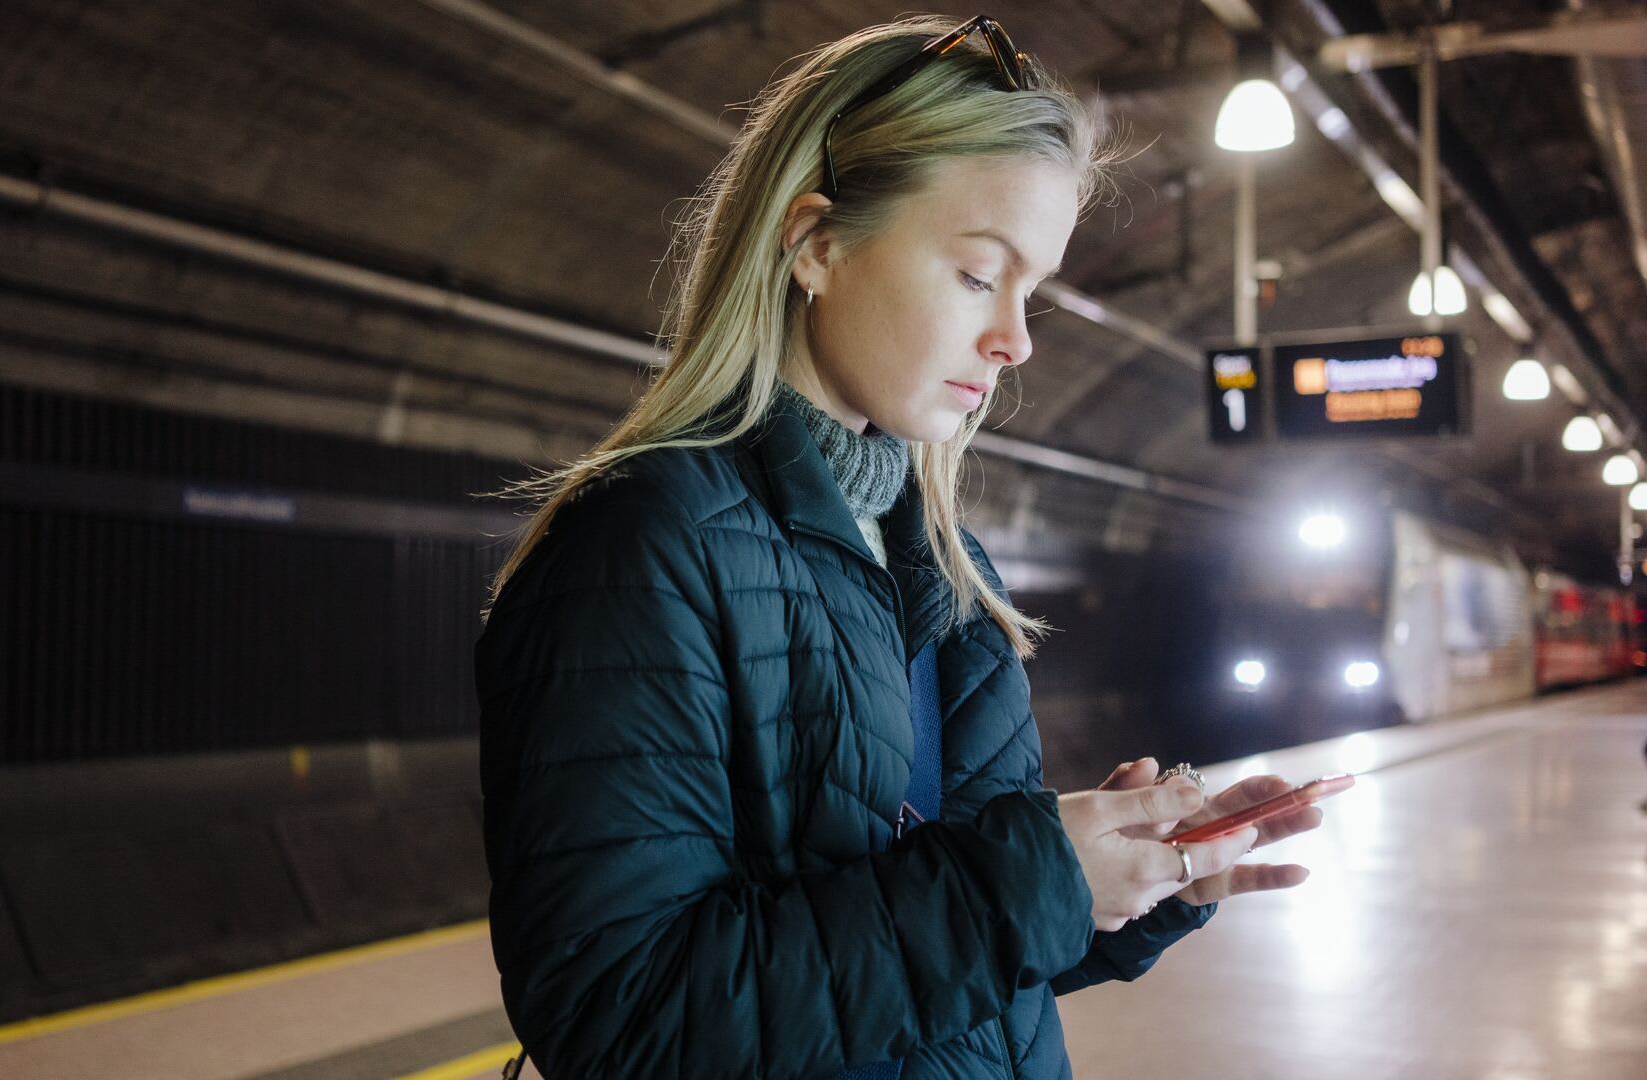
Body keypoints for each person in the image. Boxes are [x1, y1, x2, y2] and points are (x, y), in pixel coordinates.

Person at [476, 15, 1327, 1079]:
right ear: (816, 242)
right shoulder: (644, 545)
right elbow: (623, 1016)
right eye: (980, 275)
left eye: (1033, 292)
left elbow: (937, 977)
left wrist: (1125, 884)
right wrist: (1026, 886)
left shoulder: (945, 566)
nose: (1017, 341)